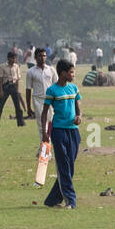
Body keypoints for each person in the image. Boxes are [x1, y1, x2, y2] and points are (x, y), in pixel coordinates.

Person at [39, 59, 82, 209]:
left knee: (69, 166)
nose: (73, 75)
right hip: (58, 131)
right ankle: (71, 200)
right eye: (71, 72)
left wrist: (79, 116)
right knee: (63, 165)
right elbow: (44, 113)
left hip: (73, 132)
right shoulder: (52, 90)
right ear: (63, 73)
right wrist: (45, 133)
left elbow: (78, 107)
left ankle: (52, 199)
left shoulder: (73, 88)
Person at [0, 51, 26, 127]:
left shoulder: (16, 66)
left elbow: (17, 79)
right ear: (8, 58)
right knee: (0, 105)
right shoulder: (3, 66)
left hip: (13, 86)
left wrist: (18, 90)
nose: (14, 60)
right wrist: (1, 90)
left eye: (15, 58)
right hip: (5, 86)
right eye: (13, 58)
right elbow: (0, 79)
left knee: (17, 106)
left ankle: (20, 123)